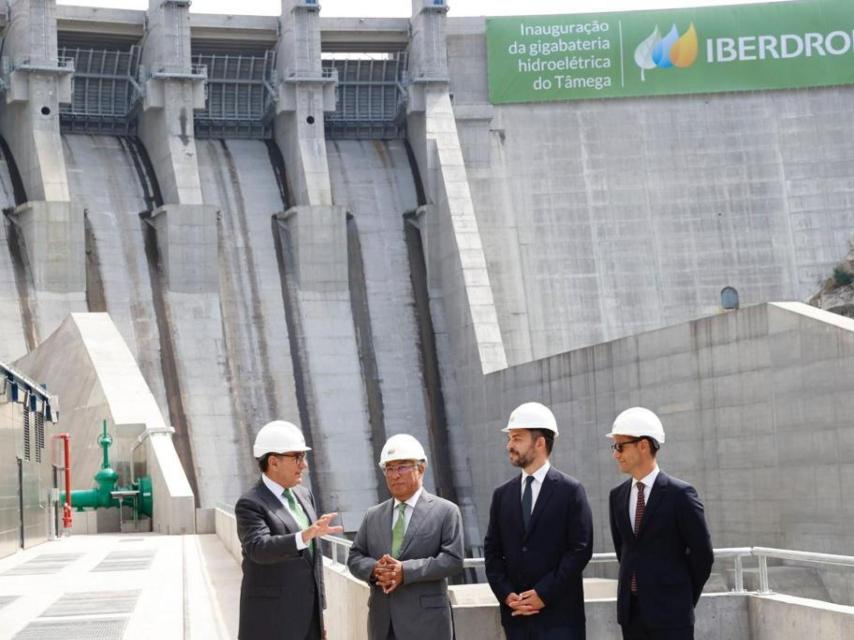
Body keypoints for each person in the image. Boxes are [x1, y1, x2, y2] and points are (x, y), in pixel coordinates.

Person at [484, 402, 594, 640]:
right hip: (516, 620)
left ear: (540, 442)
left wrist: (543, 593)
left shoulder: (570, 491)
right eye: (510, 438)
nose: (509, 445)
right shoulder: (502, 495)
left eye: (517, 438)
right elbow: (492, 553)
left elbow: (580, 551)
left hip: (560, 619)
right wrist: (506, 594)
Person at [607, 407, 713, 640]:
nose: (615, 453)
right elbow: (624, 551)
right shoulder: (617, 496)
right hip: (631, 616)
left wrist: (681, 599)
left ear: (643, 445)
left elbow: (702, 556)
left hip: (672, 618)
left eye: (620, 446)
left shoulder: (681, 495)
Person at [347, 433, 464, 639]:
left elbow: (452, 560)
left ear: (421, 468)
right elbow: (355, 556)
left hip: (427, 626)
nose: (394, 475)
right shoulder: (373, 515)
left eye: (401, 467)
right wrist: (375, 569)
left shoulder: (446, 511)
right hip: (383, 624)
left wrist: (405, 571)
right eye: (389, 469)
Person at [235, 420, 343, 640]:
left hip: (308, 621)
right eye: (297, 458)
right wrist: (304, 536)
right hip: (271, 623)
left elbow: (314, 560)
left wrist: (319, 615)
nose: (304, 465)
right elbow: (259, 548)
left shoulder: (304, 495)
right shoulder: (250, 504)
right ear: (273, 462)